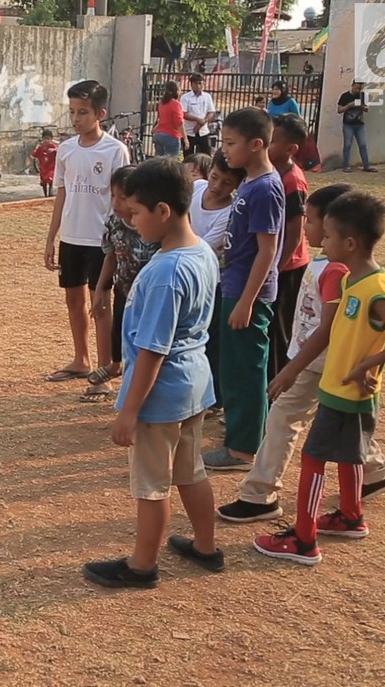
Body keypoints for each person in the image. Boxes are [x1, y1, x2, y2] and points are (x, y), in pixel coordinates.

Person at [217, 185, 385, 523]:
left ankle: (260, 495)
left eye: (312, 220)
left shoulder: (337, 271)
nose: (305, 226)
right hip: (315, 358)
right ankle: (377, 472)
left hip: (321, 360)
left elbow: (329, 328)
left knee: (283, 419)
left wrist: (291, 369)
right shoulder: (328, 260)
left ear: (342, 232)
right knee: (338, 423)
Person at [253, 191, 385, 563]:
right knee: (350, 456)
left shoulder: (375, 290)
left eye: (327, 236)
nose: (323, 242)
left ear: (350, 243)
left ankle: (303, 539)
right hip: (339, 388)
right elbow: (334, 333)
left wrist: (367, 366)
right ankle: (350, 516)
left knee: (313, 459)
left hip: (348, 392)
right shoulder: (353, 282)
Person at [81, 158, 223, 589]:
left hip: (161, 395)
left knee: (152, 484)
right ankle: (205, 547)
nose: (131, 221)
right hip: (194, 385)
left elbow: (152, 349)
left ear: (162, 211)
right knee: (190, 470)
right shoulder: (200, 252)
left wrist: (128, 409)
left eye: (136, 213)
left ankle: (142, 566)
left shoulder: (166, 271)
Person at [201, 108, 285, 471]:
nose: (225, 151)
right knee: (235, 368)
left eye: (231, 144)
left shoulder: (266, 187)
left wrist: (246, 302)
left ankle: (243, 450)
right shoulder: (250, 182)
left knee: (246, 371)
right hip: (233, 285)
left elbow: (268, 249)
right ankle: (242, 439)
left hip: (248, 294)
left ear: (255, 145)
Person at [43, 80, 131, 383]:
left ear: (100, 114)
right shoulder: (65, 150)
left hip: (102, 241)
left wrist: (117, 242)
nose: (76, 119)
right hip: (72, 237)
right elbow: (62, 194)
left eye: (82, 112)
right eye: (72, 112)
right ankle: (81, 358)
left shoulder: (115, 151)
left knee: (100, 302)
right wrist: (51, 238)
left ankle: (105, 366)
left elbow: (122, 199)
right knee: (73, 300)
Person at [82, 165, 159, 403]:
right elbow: (111, 256)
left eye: (123, 198)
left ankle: (137, 392)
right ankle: (116, 366)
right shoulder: (114, 222)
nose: (116, 203)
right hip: (124, 290)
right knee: (120, 336)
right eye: (112, 195)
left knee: (144, 343)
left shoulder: (153, 225)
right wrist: (101, 289)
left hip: (151, 297)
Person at [189, 150, 246, 411]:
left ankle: (214, 399)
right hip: (190, 274)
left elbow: (203, 248)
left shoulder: (230, 212)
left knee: (212, 338)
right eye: (214, 177)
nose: (217, 186)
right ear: (208, 171)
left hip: (214, 281)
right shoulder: (196, 188)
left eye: (227, 183)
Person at [268, 114, 311, 380]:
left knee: (278, 334)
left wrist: (274, 272)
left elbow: (294, 236)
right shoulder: (271, 171)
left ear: (291, 149)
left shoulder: (293, 180)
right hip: (273, 263)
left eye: (272, 141)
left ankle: (273, 397)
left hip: (288, 266)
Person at [338, 80, 376, 173]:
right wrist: (349, 105)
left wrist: (361, 106)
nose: (357, 90)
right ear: (352, 85)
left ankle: (366, 166)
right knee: (347, 145)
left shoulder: (362, 96)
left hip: (359, 124)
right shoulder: (345, 96)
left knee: (363, 144)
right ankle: (346, 166)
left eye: (359, 88)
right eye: (356, 88)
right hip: (348, 124)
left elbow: (367, 109)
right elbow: (339, 110)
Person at [180, 73, 218, 157]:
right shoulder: (185, 97)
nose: (199, 86)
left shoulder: (207, 96)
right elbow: (183, 114)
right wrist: (197, 119)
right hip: (189, 131)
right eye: (196, 83)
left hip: (203, 131)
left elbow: (211, 112)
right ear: (191, 84)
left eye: (201, 83)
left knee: (206, 155)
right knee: (188, 156)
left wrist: (203, 122)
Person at [153, 80, 187, 157]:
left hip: (159, 134)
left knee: (159, 162)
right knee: (170, 163)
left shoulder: (162, 103)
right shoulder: (176, 104)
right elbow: (179, 122)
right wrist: (185, 139)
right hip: (171, 135)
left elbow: (160, 119)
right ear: (177, 91)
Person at [30, 129, 59, 197]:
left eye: (48, 139)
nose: (46, 140)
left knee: (50, 179)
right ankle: (45, 194)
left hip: (51, 167)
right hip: (43, 168)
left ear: (51, 139)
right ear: (42, 139)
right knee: (44, 182)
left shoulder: (53, 147)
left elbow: (60, 150)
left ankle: (50, 191)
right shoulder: (40, 148)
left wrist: (53, 150)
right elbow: (34, 154)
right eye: (45, 138)